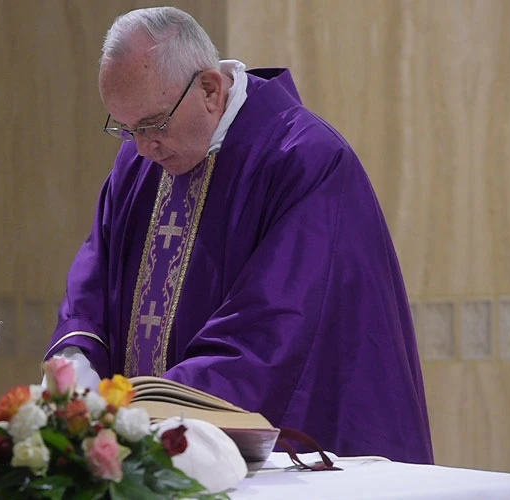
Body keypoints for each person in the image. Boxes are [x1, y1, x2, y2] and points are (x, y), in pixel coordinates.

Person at [44, 6, 433, 464]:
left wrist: (143, 408)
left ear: (210, 88)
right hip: (146, 448)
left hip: (294, 449)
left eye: (153, 124)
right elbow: (95, 273)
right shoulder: (138, 164)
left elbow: (275, 326)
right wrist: (78, 360)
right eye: (126, 129)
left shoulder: (305, 160)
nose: (144, 147)